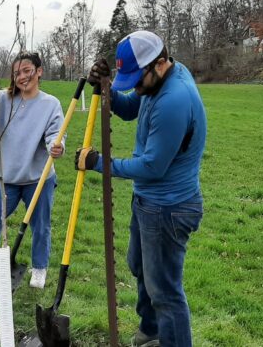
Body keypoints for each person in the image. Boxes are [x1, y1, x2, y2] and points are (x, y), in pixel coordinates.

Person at [77, 30, 207, 347]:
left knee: (165, 290)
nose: (134, 86)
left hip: (169, 208)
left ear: (159, 63)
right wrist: (105, 87)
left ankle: (168, 338)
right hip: (150, 202)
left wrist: (99, 163)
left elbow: (151, 167)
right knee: (139, 266)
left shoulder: (174, 100)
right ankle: (151, 332)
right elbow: (127, 108)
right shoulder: (159, 78)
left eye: (137, 78)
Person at [0, 51, 65, 289]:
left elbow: (55, 135)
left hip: (38, 178)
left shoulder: (50, 104)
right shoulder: (1, 99)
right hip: (5, 179)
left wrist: (56, 146)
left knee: (41, 226)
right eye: (17, 72)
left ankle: (39, 269)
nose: (22, 77)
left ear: (39, 71)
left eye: (27, 71)